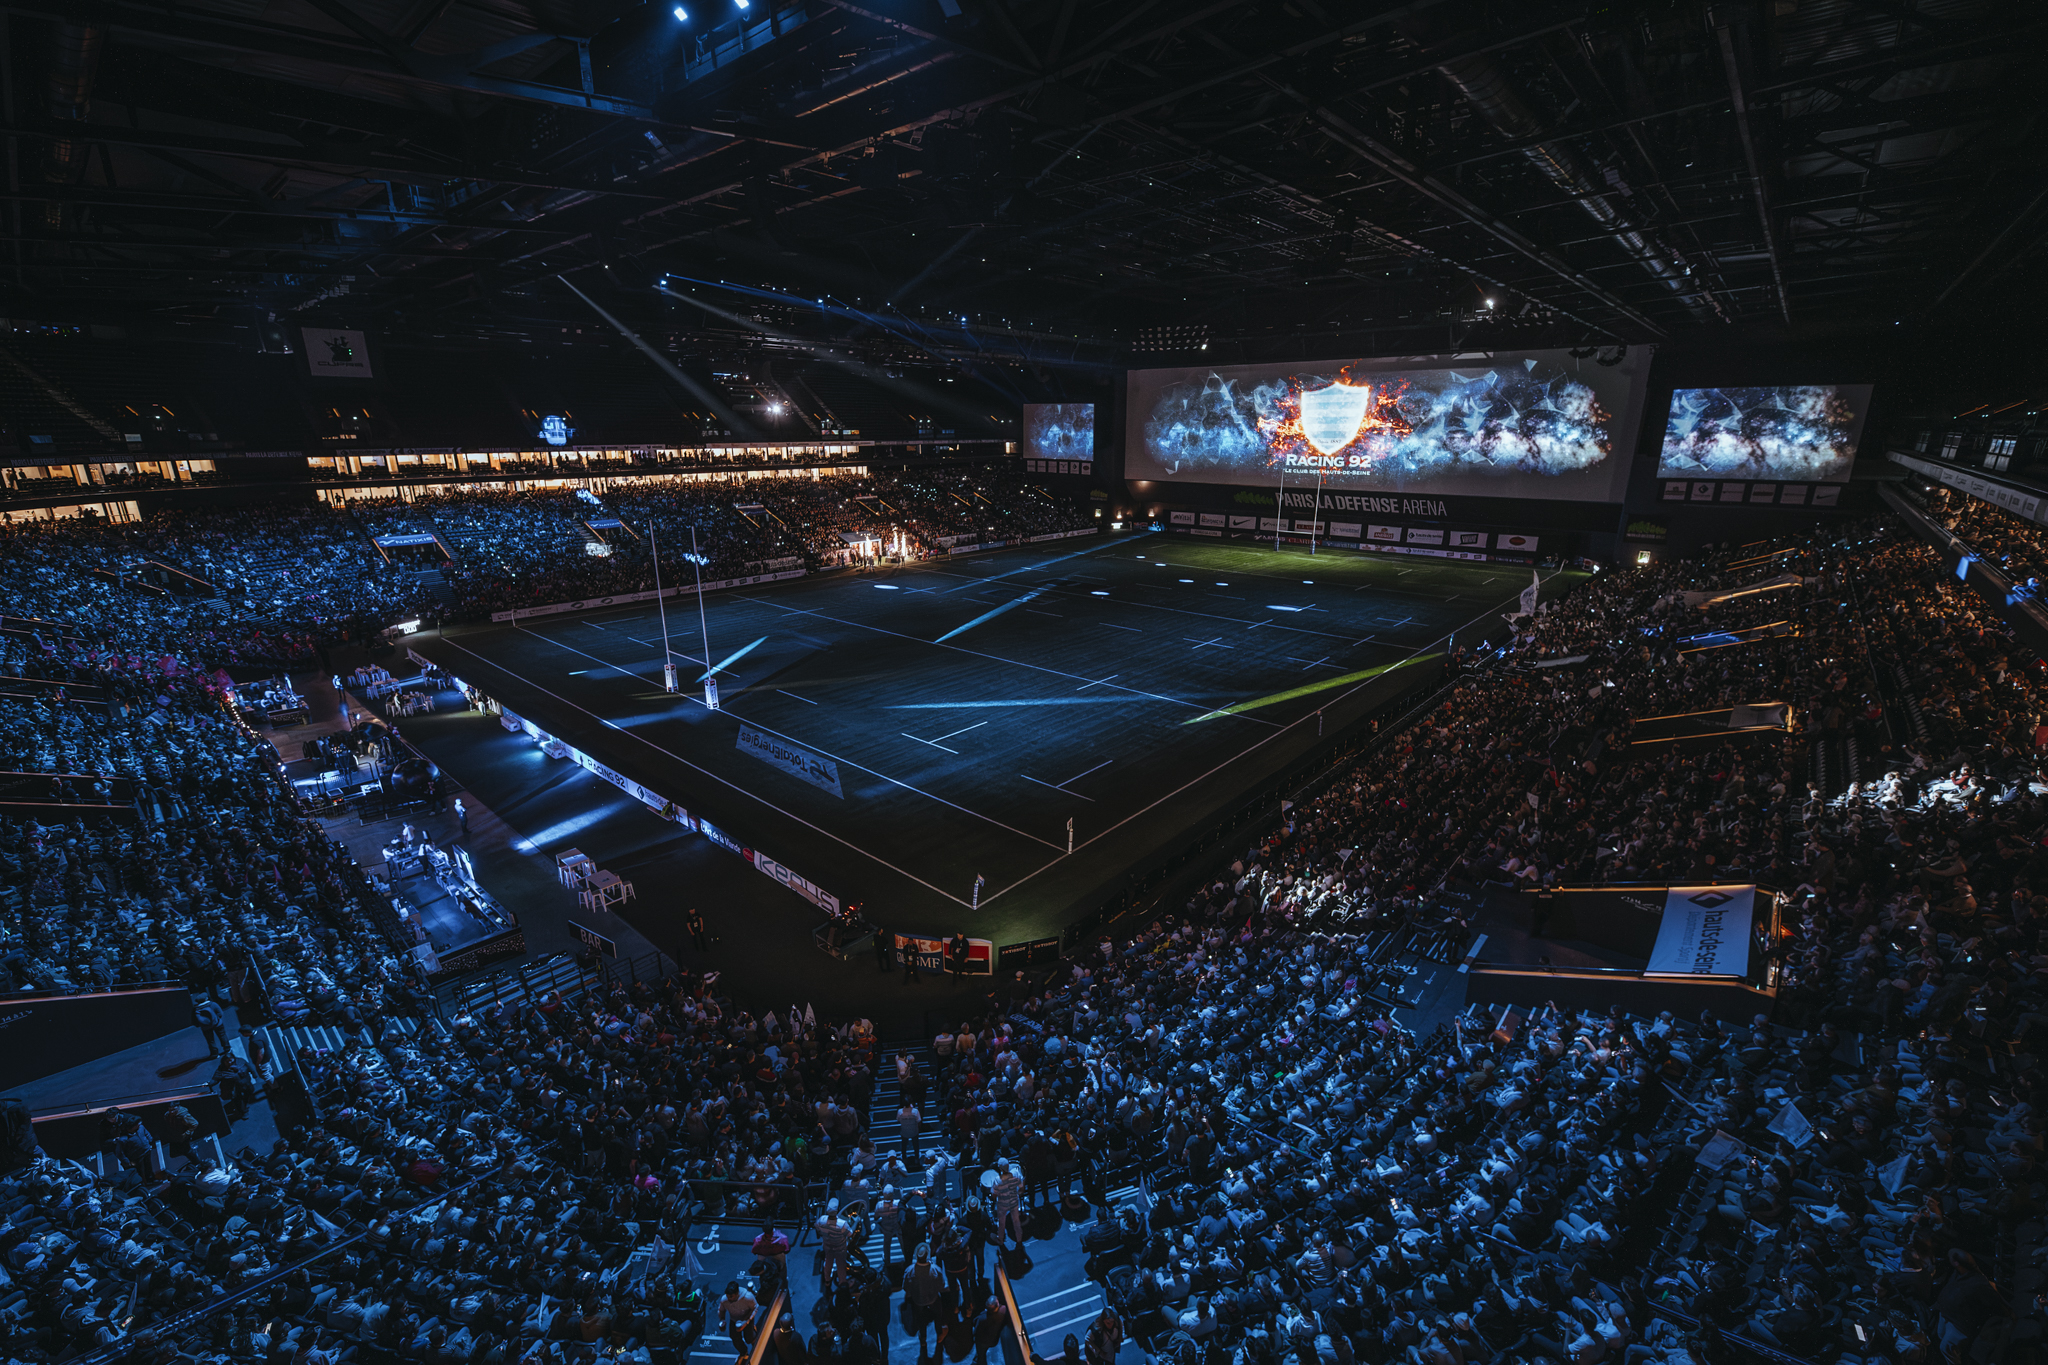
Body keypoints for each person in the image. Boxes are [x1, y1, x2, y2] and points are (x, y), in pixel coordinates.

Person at [905, 1245, 946, 1356]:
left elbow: (905, 1287)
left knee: (921, 1320)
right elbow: (942, 1286)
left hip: (918, 1300)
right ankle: (939, 1334)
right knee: (938, 1316)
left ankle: (923, 1339)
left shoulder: (909, 1271)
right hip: (933, 1299)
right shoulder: (935, 1270)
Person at [719, 1281, 758, 1356]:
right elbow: (721, 1310)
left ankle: (755, 1340)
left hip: (747, 1318)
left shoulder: (748, 1297)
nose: (729, 1299)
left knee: (749, 1338)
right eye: (727, 1296)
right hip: (734, 1319)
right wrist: (722, 1319)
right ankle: (743, 1352)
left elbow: (755, 1308)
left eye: (731, 1296)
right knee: (735, 1338)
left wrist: (747, 1321)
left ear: (737, 1293)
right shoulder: (724, 1299)